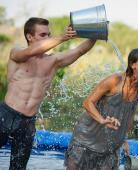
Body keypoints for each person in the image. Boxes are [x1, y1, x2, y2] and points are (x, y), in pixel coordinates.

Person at [0, 17, 96, 170]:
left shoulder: (53, 61)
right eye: (43, 35)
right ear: (29, 37)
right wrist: (63, 37)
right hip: (5, 115)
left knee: (18, 168)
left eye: (48, 35)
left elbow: (80, 50)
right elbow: (33, 50)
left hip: (28, 123)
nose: (48, 38)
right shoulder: (18, 53)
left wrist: (97, 31)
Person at [65, 48, 138, 170]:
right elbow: (87, 102)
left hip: (110, 142)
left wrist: (124, 138)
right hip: (86, 136)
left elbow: (130, 113)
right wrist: (102, 120)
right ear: (133, 65)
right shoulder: (114, 81)